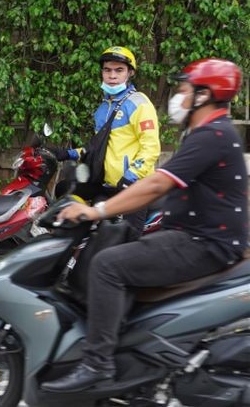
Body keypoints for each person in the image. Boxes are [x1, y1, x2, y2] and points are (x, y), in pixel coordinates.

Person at [42, 58, 247, 393]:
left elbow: (156, 184)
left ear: (204, 95)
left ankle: (97, 364)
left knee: (108, 265)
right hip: (197, 236)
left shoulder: (212, 135)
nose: (178, 96)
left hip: (202, 243)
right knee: (122, 248)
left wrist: (96, 212)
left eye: (184, 90)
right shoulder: (210, 133)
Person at [50, 46, 161, 233]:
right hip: (108, 185)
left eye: (119, 70)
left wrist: (130, 177)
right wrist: (67, 154)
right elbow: (97, 148)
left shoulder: (139, 103)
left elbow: (151, 147)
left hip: (134, 187)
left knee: (126, 241)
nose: (112, 76)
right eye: (107, 70)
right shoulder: (103, 108)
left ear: (130, 73)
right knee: (65, 192)